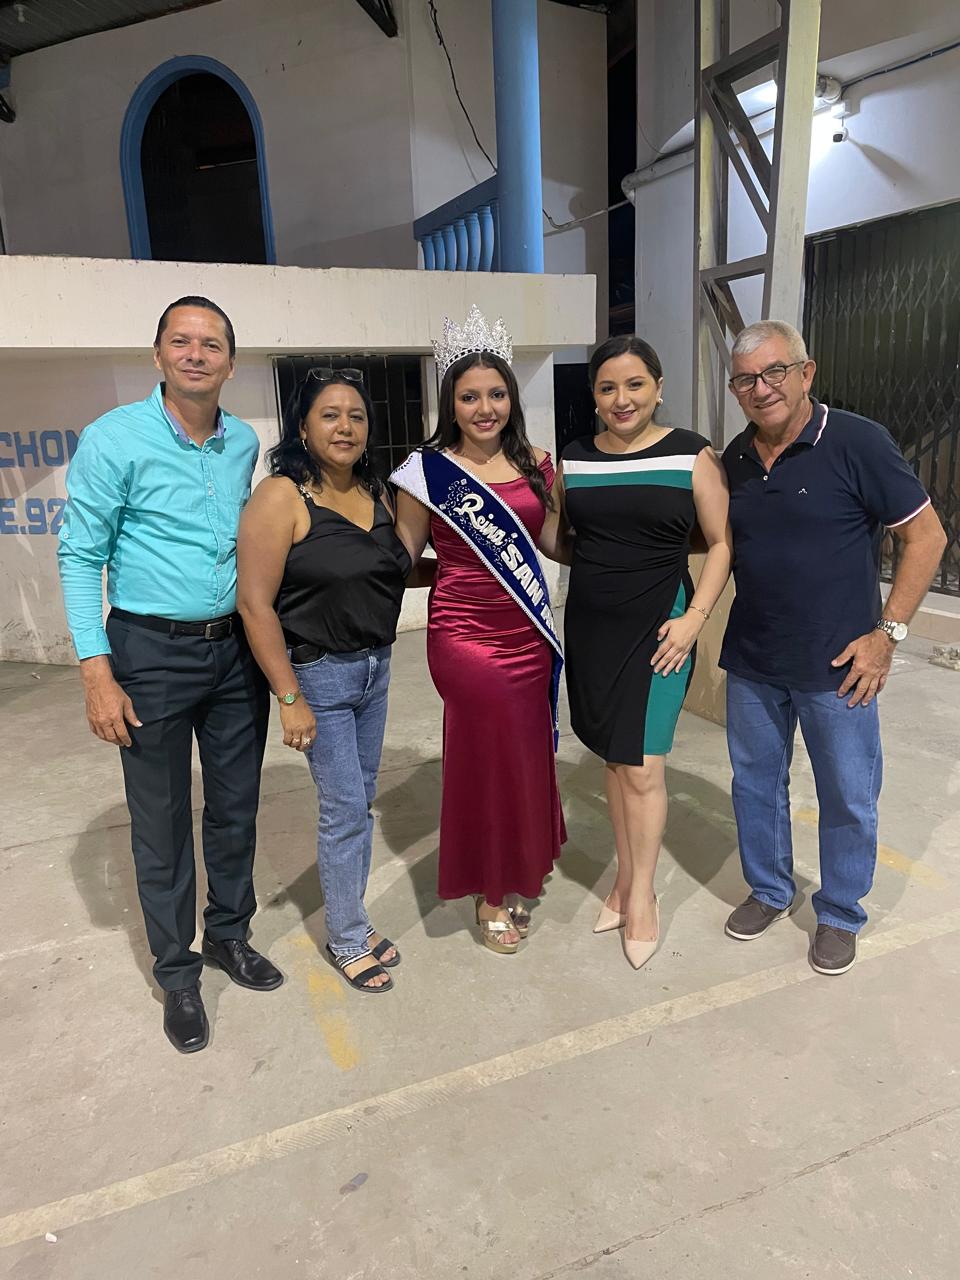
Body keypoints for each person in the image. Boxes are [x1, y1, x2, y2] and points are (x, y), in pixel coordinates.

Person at [57, 296, 282, 1055]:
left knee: (235, 807)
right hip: (148, 653)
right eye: (181, 341)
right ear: (157, 355)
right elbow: (80, 556)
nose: (195, 354)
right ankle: (178, 973)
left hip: (234, 652)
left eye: (211, 344)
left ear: (231, 362)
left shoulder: (242, 441)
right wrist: (96, 672)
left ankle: (229, 935)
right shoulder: (114, 438)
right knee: (160, 823)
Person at [720, 320, 947, 975]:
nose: (762, 388)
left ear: (806, 373)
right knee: (755, 784)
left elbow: (926, 537)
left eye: (775, 372)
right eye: (746, 380)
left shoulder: (856, 442)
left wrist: (888, 634)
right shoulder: (734, 458)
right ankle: (770, 890)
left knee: (847, 793)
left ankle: (841, 912)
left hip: (841, 666)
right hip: (754, 659)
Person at [392, 306, 566, 954]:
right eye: (469, 396)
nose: (484, 408)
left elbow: (555, 543)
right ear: (451, 402)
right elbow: (401, 554)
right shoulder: (427, 471)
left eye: (496, 394)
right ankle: (490, 891)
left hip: (528, 631)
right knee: (486, 760)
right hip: (464, 635)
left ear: (511, 398)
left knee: (523, 754)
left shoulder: (539, 464)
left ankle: (518, 864)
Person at [237, 369, 415, 993]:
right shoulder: (281, 497)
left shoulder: (376, 492)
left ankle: (352, 919)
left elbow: (390, 568)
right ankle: (346, 938)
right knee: (344, 811)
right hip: (318, 674)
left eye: (357, 416)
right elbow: (255, 605)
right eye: (330, 415)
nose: (345, 427)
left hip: (376, 669)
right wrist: (289, 698)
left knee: (359, 802)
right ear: (304, 427)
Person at [557, 335, 731, 968]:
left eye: (635, 384)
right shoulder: (575, 459)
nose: (621, 398)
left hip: (662, 631)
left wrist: (693, 619)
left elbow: (721, 543)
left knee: (645, 766)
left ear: (658, 388)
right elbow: (561, 539)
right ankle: (624, 881)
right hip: (592, 631)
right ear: (594, 396)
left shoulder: (692, 454)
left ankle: (643, 896)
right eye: (607, 387)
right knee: (615, 758)